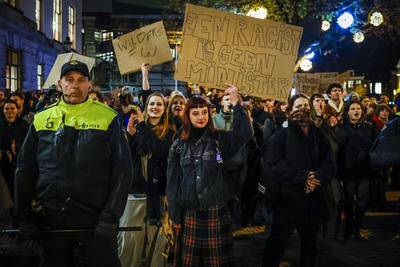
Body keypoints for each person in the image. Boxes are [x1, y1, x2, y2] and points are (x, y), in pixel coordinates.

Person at [14, 60, 133, 267]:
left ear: (89, 84)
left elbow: (123, 170)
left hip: (96, 223)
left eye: (81, 80)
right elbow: (25, 169)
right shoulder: (41, 118)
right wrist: (24, 215)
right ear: (60, 84)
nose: (75, 85)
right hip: (51, 223)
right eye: (69, 80)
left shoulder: (107, 118)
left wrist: (110, 216)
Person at [166, 85, 252, 266]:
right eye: (195, 113)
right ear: (188, 116)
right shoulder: (178, 145)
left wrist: (237, 104)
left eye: (204, 112)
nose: (201, 117)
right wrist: (174, 216)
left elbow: (244, 133)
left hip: (215, 209)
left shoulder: (218, 141)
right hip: (189, 213)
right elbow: (173, 184)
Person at [262, 93, 336, 267]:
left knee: (310, 244)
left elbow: (329, 163)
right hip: (287, 199)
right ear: (289, 111)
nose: (302, 111)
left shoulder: (319, 134)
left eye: (305, 107)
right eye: (298, 107)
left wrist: (316, 177)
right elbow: (274, 163)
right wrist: (302, 177)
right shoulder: (281, 135)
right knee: (278, 242)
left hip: (313, 199)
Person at [119, 92, 175, 267]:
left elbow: (159, 151)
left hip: (157, 194)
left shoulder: (170, 132)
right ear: (146, 107)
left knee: (156, 245)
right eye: (151, 104)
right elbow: (129, 158)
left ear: (164, 109)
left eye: (159, 104)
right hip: (135, 194)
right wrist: (129, 136)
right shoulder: (137, 128)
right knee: (131, 243)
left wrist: (142, 125)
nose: (155, 107)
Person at [338, 99, 378, 241]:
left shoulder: (369, 127)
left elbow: (375, 146)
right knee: (349, 202)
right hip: (348, 171)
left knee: (361, 202)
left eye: (358, 109)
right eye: (353, 109)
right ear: (347, 112)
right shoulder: (341, 127)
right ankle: (348, 229)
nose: (356, 111)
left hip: (364, 171)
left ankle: (357, 229)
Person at [0, 99, 29, 197]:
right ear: (3, 110)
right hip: (3, 167)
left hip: (20, 165)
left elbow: (30, 145)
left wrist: (18, 147)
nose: (9, 111)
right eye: (6, 109)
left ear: (17, 110)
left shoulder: (24, 125)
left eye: (12, 108)